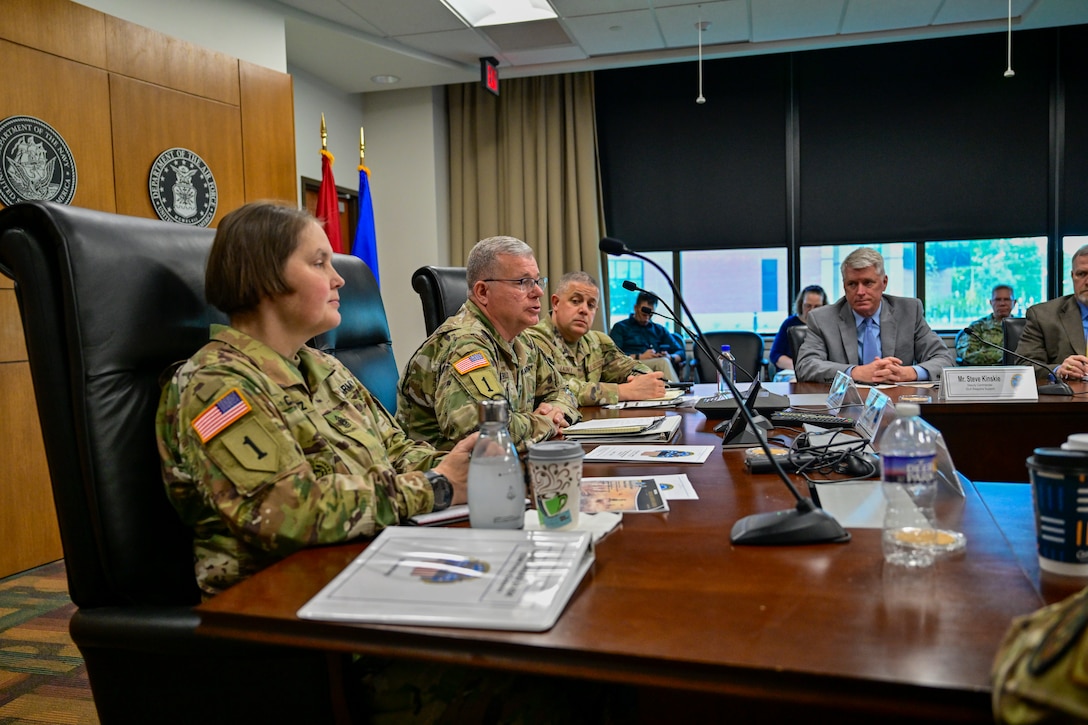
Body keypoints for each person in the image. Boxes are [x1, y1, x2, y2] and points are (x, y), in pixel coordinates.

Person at [155, 201, 475, 600]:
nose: (338, 279)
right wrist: (436, 487)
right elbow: (287, 511)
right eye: (319, 263)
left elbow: (394, 451)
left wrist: (472, 467)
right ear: (263, 278)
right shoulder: (215, 386)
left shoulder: (323, 367)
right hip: (282, 603)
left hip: (368, 563)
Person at [397, 235, 579, 453]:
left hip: (506, 468)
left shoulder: (521, 340)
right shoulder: (465, 345)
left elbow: (563, 390)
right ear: (483, 292)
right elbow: (487, 434)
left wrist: (557, 410)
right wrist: (547, 423)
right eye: (523, 282)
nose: (538, 292)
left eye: (537, 281)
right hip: (447, 478)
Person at [795, 247, 953, 383]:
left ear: (884, 283)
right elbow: (806, 365)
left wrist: (909, 373)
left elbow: (944, 360)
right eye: (852, 284)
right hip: (845, 407)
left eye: (868, 283)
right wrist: (855, 372)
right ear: (844, 286)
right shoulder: (822, 319)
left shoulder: (909, 311)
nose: (860, 292)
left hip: (897, 403)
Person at [525, 271, 666, 406]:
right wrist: (622, 392)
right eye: (575, 301)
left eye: (591, 305)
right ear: (556, 303)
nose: (584, 310)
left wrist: (643, 380)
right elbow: (557, 391)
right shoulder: (533, 342)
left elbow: (629, 368)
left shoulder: (598, 342)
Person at [1016, 244, 1088, 381]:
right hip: (1067, 399)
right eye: (1082, 274)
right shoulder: (1043, 316)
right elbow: (1024, 364)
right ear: (1073, 276)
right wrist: (1058, 370)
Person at [609, 292, 686, 381]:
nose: (647, 318)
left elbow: (681, 352)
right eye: (644, 314)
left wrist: (670, 357)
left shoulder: (659, 329)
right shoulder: (620, 327)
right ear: (636, 308)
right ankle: (679, 392)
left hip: (657, 366)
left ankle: (670, 391)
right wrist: (639, 356)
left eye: (650, 314)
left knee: (664, 361)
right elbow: (613, 356)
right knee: (663, 362)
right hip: (631, 366)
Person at [955, 284, 1017, 366]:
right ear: (991, 302)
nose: (1002, 303)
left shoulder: (1024, 327)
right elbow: (967, 353)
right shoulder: (977, 327)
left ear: (1014, 302)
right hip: (985, 373)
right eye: (998, 299)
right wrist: (1005, 356)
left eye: (1007, 299)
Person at [769, 284, 827, 370]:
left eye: (817, 306)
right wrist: (799, 368)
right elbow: (775, 355)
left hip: (821, 371)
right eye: (808, 306)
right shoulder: (789, 324)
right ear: (801, 305)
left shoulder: (828, 325)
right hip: (792, 370)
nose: (812, 310)